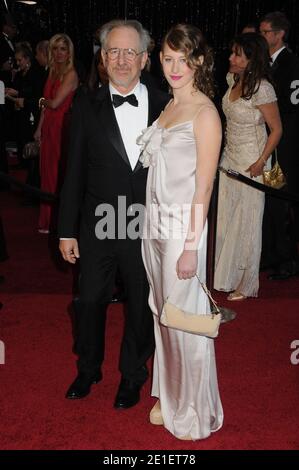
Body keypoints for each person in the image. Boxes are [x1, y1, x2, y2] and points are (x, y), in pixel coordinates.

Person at [58, 20, 170, 406]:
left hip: (146, 224)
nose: (121, 60)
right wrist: (66, 230)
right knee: (88, 300)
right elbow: (72, 170)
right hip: (97, 223)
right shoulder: (85, 102)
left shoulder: (165, 101)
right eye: (113, 52)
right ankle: (88, 368)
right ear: (103, 58)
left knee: (141, 305)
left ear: (144, 58)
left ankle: (133, 375)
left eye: (130, 52)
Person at [139, 23, 223, 440]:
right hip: (153, 229)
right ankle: (169, 394)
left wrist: (191, 248)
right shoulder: (169, 106)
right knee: (162, 315)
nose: (175, 67)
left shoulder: (205, 113)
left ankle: (192, 407)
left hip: (181, 234)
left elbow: (203, 187)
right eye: (168, 59)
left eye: (183, 60)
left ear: (200, 62)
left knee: (184, 320)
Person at [214, 33, 282, 300]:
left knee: (247, 223)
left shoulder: (263, 88)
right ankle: (226, 275)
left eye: (237, 54)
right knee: (226, 220)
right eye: (232, 52)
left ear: (251, 59)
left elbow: (277, 130)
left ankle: (245, 282)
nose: (230, 58)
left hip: (252, 163)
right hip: (228, 158)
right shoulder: (232, 80)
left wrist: (260, 161)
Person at [259, 12, 299, 279]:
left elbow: (288, 108)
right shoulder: (268, 63)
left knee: (284, 200)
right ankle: (273, 254)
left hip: (286, 145)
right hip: (272, 144)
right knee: (272, 198)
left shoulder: (290, 64)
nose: (262, 37)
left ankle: (288, 260)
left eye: (265, 32)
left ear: (279, 34)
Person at [34, 33, 78, 234]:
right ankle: (46, 220)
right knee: (46, 173)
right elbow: (46, 107)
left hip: (61, 128)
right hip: (49, 126)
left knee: (56, 174)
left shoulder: (71, 74)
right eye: (55, 48)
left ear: (69, 52)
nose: (59, 53)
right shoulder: (52, 72)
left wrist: (42, 101)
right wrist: (39, 128)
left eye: (63, 48)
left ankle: (54, 221)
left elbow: (53, 103)